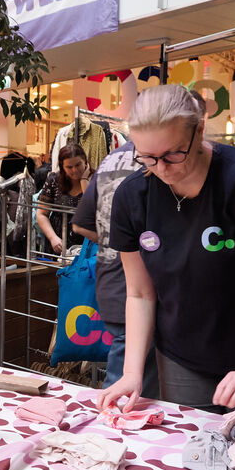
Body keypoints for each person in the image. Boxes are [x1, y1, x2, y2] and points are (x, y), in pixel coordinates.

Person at [97, 85, 235, 414]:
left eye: (174, 154)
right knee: (189, 452)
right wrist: (132, 373)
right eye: (147, 157)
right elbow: (139, 294)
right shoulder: (133, 197)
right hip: (182, 358)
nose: (161, 168)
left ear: (200, 129)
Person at [72, 142, 160, 399]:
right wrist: (128, 246)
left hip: (113, 282)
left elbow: (80, 224)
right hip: (135, 288)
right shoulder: (160, 156)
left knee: (133, 387)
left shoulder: (112, 158)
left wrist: (119, 243)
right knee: (127, 395)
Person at [37, 143, 92, 255]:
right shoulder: (54, 180)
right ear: (62, 167)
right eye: (69, 167)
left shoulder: (96, 179)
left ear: (85, 162)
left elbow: (92, 208)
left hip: (87, 246)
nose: (75, 170)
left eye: (78, 165)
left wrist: (84, 180)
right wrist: (53, 238)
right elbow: (42, 214)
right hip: (58, 244)